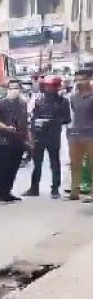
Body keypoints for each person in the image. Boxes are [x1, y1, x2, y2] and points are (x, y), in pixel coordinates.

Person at [25, 75, 71, 199]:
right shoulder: (38, 100)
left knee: (54, 162)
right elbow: (32, 117)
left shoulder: (63, 101)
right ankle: (34, 188)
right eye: (47, 87)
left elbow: (67, 119)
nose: (48, 89)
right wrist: (37, 124)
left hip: (53, 135)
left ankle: (55, 189)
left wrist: (53, 121)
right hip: (39, 136)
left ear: (56, 88)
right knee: (37, 163)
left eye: (51, 87)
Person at [0, 80, 30, 203]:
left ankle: (7, 192)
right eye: (12, 88)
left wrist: (29, 139)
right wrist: (5, 127)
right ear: (7, 89)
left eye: (17, 88)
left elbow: (25, 122)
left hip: (18, 140)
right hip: (4, 140)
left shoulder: (23, 104)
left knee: (13, 168)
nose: (14, 90)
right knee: (3, 168)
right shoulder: (0, 103)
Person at [68, 68, 93, 201]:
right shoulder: (74, 96)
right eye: (76, 79)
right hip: (76, 133)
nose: (78, 82)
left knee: (91, 164)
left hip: (91, 134)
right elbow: (74, 112)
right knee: (75, 164)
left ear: (89, 79)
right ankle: (74, 191)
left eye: (82, 79)